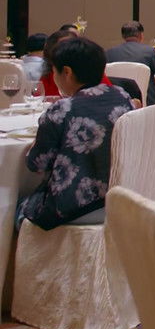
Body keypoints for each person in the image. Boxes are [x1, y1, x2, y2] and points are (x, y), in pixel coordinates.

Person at [18, 37, 133, 230]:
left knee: (15, 207)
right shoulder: (122, 96)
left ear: (67, 72)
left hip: (74, 206)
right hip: (119, 198)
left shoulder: (62, 109)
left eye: (54, 71)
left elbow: (36, 164)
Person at [105, 20, 155, 105]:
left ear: (123, 36)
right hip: (147, 104)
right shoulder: (149, 51)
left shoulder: (109, 53)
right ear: (141, 35)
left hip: (118, 103)